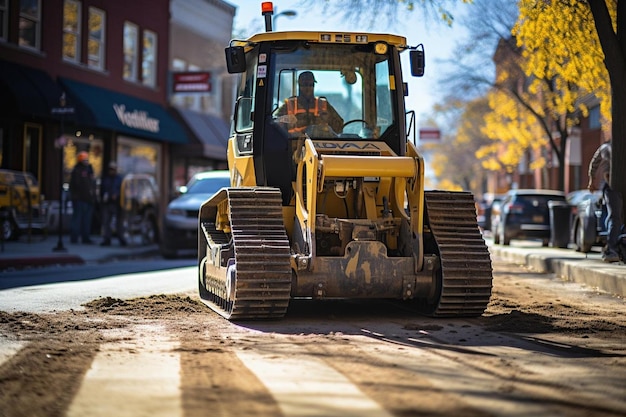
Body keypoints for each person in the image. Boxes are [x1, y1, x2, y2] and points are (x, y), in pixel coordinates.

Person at [276, 71, 343, 136]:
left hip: (321, 145)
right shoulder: (288, 105)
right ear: (299, 85)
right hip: (294, 145)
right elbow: (275, 126)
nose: (308, 88)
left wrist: (329, 119)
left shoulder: (323, 105)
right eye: (304, 85)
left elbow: (339, 128)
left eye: (311, 85)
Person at [588, 138, 623, 263]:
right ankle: (611, 249)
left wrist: (592, 180)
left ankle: (612, 249)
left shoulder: (605, 147)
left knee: (614, 218)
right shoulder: (607, 147)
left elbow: (594, 163)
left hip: (611, 186)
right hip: (611, 185)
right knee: (615, 218)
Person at [69, 151, 96, 244]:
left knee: (86, 220)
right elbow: (76, 185)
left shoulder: (89, 171)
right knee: (77, 219)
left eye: (86, 159)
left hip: (88, 200)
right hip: (79, 199)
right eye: (84, 159)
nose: (86, 161)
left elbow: (92, 185)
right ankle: (74, 238)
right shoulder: (77, 171)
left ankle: (86, 238)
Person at [99, 161, 127, 246]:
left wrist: (117, 195)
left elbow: (123, 190)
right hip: (107, 203)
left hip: (117, 203)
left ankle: (121, 238)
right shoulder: (106, 179)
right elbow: (102, 190)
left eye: (113, 169)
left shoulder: (120, 179)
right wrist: (104, 196)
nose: (112, 171)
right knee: (106, 221)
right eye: (110, 169)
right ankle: (107, 239)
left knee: (119, 222)